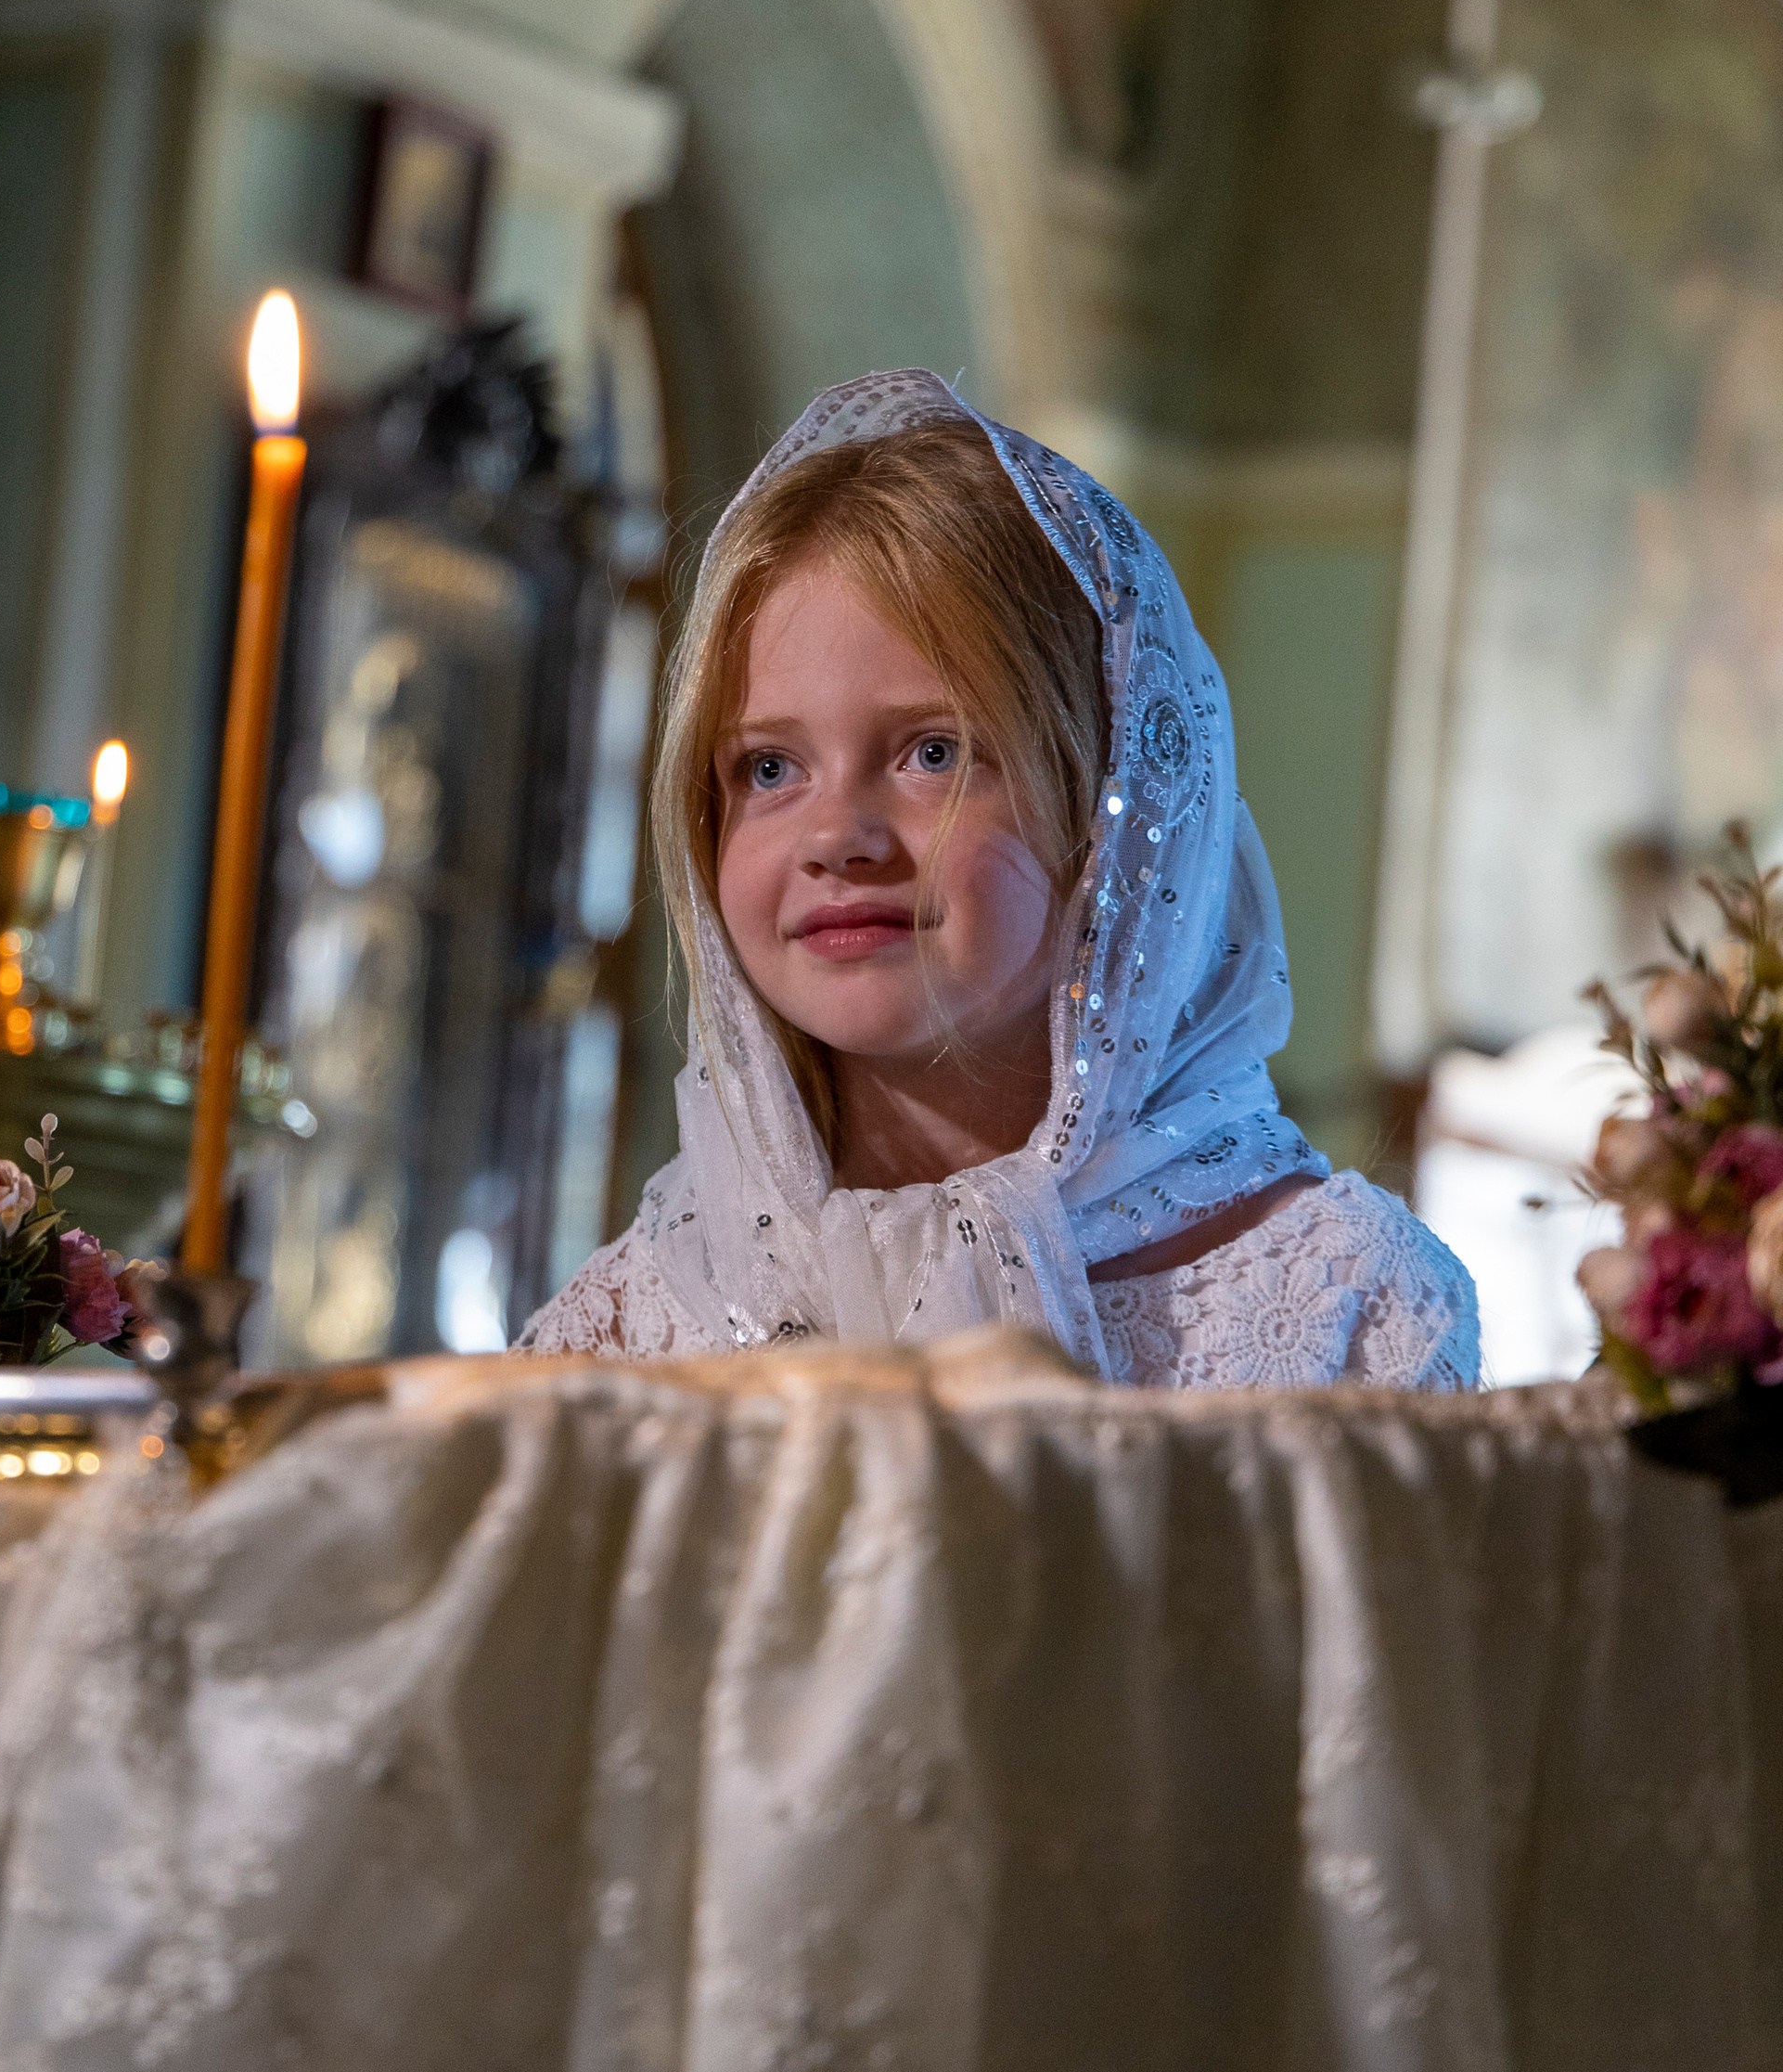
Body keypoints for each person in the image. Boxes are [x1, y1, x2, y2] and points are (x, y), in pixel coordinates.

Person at [520, 372, 1477, 1387]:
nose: (837, 836)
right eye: (769, 768)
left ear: (1120, 807)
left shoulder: (1345, 1310)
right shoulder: (622, 1337)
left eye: (933, 753)